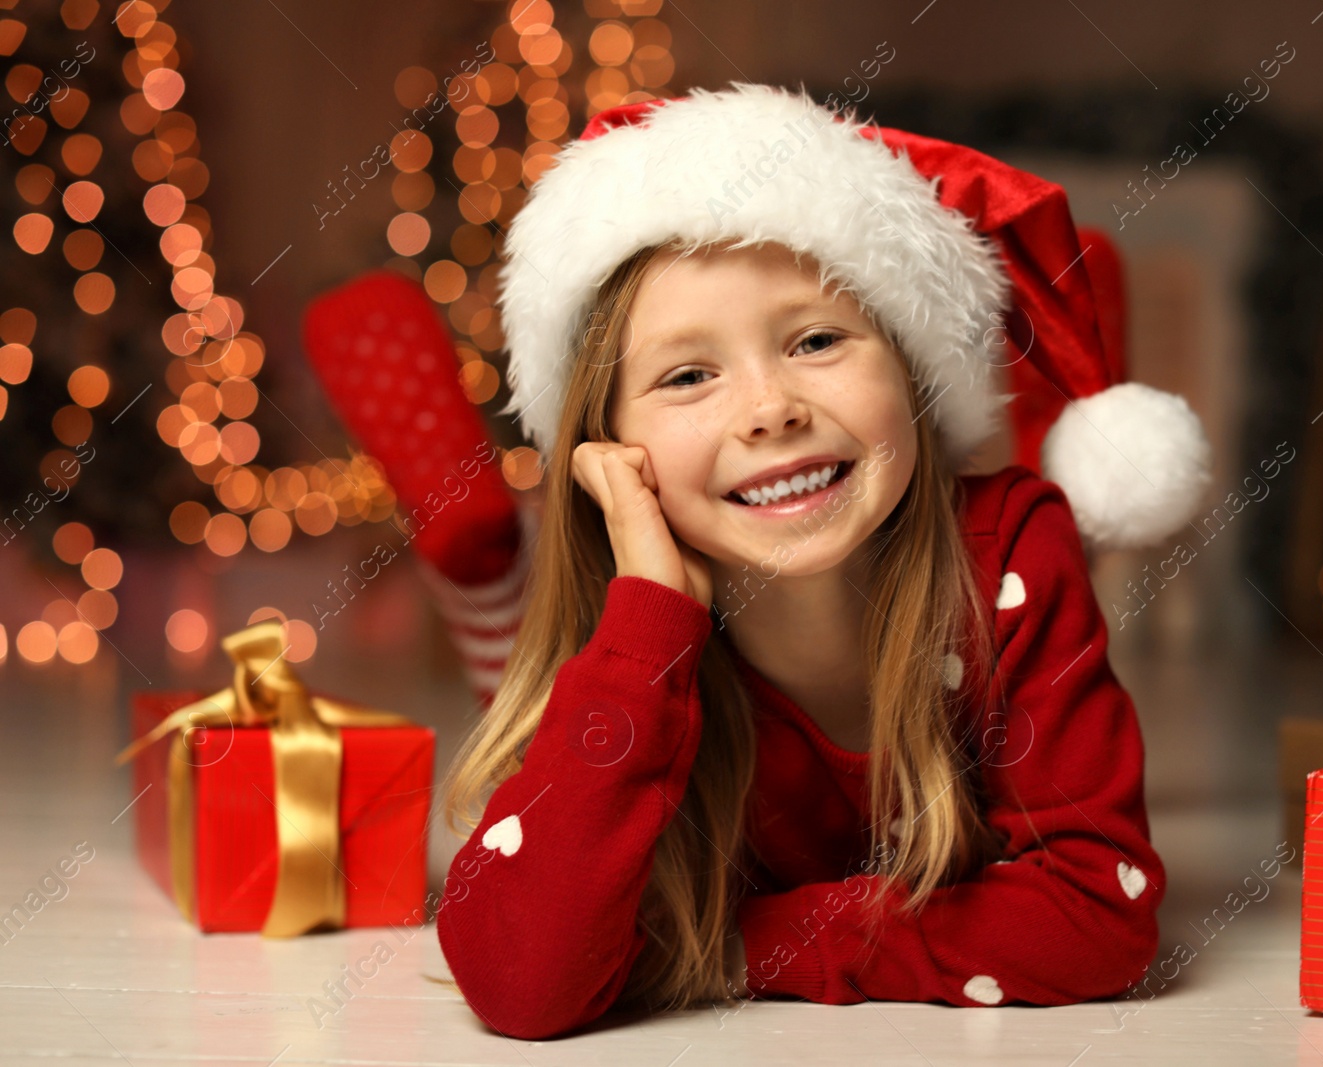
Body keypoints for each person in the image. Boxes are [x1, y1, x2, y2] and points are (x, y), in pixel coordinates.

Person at [432, 82, 1212, 1040]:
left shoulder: (1015, 548)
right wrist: (645, 626)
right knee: (534, 702)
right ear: (612, 453)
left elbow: (1097, 914)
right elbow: (521, 982)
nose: (770, 408)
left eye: (816, 340)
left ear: (912, 375)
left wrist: (733, 947)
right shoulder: (639, 627)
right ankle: (484, 576)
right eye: (688, 375)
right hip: (611, 630)